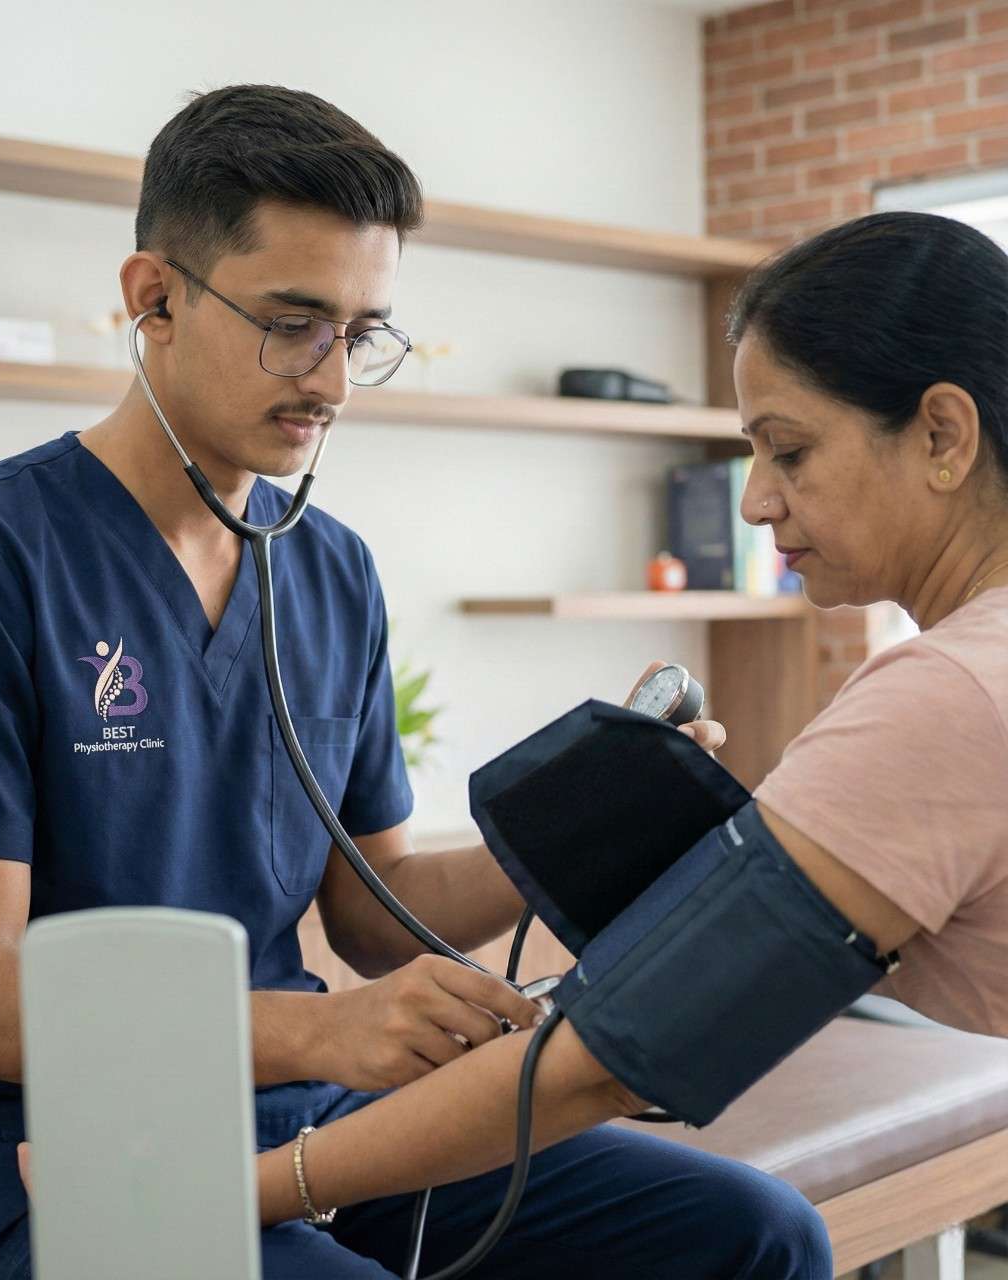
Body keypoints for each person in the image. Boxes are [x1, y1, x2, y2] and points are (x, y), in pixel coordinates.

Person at [0, 85, 828, 1280]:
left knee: (757, 1235)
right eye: (292, 321)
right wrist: (323, 1027)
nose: (332, 378)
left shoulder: (327, 568)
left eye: (363, 331)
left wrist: (603, 809)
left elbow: (375, 911)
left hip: (312, 1116)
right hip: (59, 1161)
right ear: (151, 298)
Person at [230, 209, 1008, 1259]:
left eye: (788, 449)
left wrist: (260, 1186)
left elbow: (609, 1056)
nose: (755, 504)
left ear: (941, 435)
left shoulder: (945, 692)